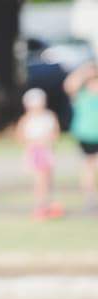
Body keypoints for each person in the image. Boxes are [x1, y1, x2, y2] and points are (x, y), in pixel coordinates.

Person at [16, 88, 63, 220]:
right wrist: (36, 142)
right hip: (35, 152)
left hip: (47, 151)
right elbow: (20, 137)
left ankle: (48, 205)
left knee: (48, 180)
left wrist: (48, 141)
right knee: (40, 180)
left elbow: (56, 134)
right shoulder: (26, 119)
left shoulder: (49, 116)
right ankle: (40, 206)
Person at [64, 63, 98, 212]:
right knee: (88, 167)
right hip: (85, 135)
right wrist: (85, 70)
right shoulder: (81, 93)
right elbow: (69, 85)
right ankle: (90, 198)